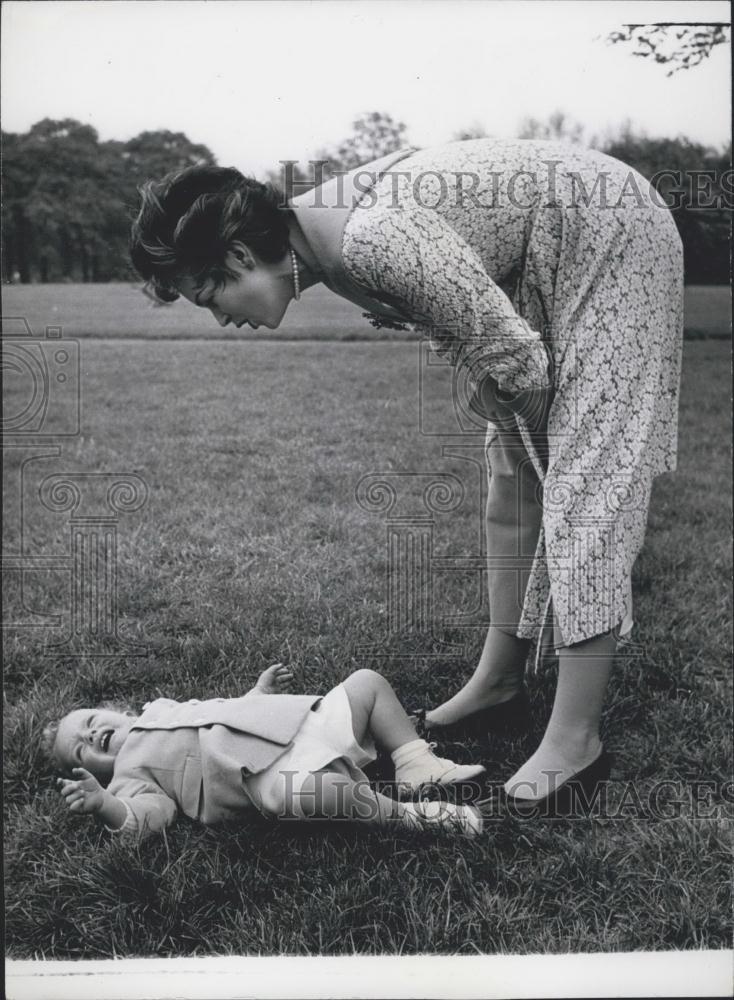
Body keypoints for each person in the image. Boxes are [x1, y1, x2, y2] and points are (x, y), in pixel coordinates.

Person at [129, 138, 684, 811]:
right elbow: (467, 320)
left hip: (608, 230)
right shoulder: (315, 243)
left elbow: (518, 362)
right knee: (511, 472)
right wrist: (505, 395)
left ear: (242, 256)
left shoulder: (366, 241)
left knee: (587, 475)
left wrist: (537, 420)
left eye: (209, 293)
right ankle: (499, 681)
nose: (220, 316)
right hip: (543, 244)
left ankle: (575, 739)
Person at [45, 665, 485, 839]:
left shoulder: (158, 709)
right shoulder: (129, 776)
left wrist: (255, 694)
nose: (91, 736)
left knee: (367, 683)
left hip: (292, 720)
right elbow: (149, 816)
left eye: (89, 721)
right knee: (323, 791)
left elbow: (222, 714)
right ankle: (413, 817)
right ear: (95, 774)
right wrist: (105, 804)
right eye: (80, 753)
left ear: (113, 711)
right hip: (258, 776)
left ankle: (413, 761)